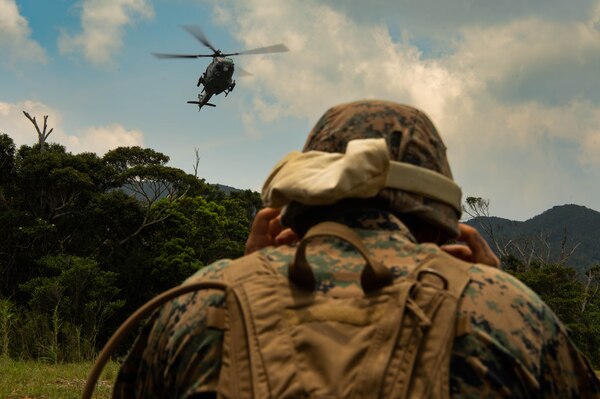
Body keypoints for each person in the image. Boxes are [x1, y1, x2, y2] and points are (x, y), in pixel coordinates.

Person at [113, 100, 600, 398]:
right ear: (440, 219)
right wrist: (498, 291)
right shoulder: (509, 311)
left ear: (298, 202)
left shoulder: (202, 298)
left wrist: (241, 282)